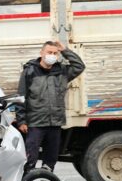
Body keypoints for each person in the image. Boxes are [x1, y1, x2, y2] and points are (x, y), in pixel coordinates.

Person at [15, 41, 85, 172]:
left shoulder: (62, 72)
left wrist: (64, 50)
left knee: (50, 160)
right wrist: (21, 121)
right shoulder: (30, 71)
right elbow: (21, 97)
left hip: (55, 123)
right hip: (36, 123)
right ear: (42, 53)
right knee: (30, 158)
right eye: (49, 52)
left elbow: (79, 66)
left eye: (55, 53)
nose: (52, 55)